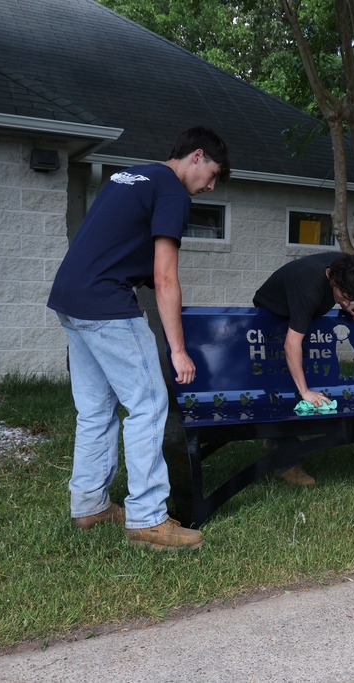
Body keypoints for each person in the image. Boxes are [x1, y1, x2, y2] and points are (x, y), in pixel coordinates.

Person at [47, 127, 230, 551]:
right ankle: (148, 519)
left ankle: (89, 505)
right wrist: (178, 350)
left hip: (71, 297)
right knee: (148, 403)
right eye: (213, 175)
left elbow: (114, 243)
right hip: (106, 303)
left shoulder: (128, 176)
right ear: (197, 156)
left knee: (96, 409)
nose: (211, 186)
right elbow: (165, 278)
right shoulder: (172, 192)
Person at [253, 252, 354, 486]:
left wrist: (346, 303)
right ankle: (286, 461)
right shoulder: (307, 288)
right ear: (333, 279)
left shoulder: (347, 267)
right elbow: (291, 344)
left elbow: (340, 293)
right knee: (286, 384)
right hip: (272, 312)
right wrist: (305, 392)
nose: (346, 300)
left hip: (302, 309)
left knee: (299, 373)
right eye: (345, 295)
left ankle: (274, 438)